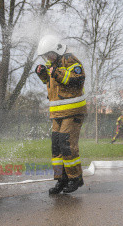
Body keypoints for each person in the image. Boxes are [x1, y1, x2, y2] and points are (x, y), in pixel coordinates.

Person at [35, 34, 86, 194]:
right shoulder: (52, 64)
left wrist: (55, 72)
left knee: (67, 144)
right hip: (57, 114)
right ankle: (61, 180)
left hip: (73, 112)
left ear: (57, 49)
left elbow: (78, 79)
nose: (47, 58)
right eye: (45, 56)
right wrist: (43, 74)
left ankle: (75, 178)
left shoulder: (69, 59)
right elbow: (52, 84)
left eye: (49, 54)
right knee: (56, 146)